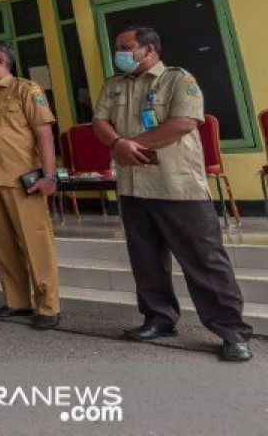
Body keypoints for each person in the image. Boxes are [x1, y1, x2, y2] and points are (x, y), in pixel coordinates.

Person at [92, 26, 253, 362]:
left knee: (204, 260)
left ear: (149, 49)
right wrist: (118, 144)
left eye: (126, 47)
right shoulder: (114, 85)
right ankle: (158, 318)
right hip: (133, 187)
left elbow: (183, 123)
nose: (119, 53)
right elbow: (100, 122)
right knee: (146, 260)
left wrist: (130, 145)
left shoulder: (179, 80)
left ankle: (231, 330)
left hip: (177, 185)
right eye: (118, 48)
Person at [0, 41, 60, 329]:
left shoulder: (25, 90)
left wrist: (50, 176)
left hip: (23, 181)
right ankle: (16, 301)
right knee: (4, 247)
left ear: (1, 60)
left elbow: (44, 134)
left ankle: (48, 306)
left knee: (36, 244)